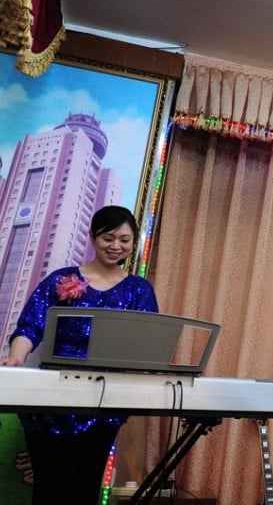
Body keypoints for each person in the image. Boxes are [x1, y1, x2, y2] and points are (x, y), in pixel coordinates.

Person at [0, 205, 159, 505]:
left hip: (106, 401)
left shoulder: (140, 290)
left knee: (86, 485)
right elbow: (31, 325)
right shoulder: (61, 279)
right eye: (108, 238)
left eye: (124, 240)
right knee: (48, 486)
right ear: (92, 237)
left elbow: (147, 341)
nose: (116, 246)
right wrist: (16, 358)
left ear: (133, 242)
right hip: (53, 398)